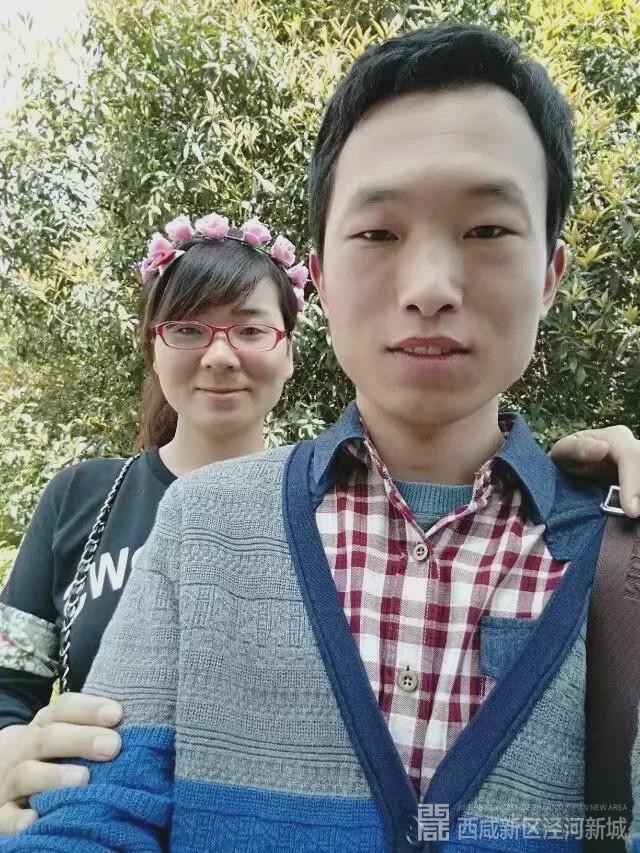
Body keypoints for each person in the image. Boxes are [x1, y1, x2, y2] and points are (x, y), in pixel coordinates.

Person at [2, 23, 640, 850]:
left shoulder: (614, 556)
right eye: (378, 232)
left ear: (551, 273)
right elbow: (99, 813)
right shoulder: (195, 524)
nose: (431, 287)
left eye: (487, 230)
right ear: (325, 279)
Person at [0, 210, 306, 832]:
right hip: (92, 828)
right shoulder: (80, 497)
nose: (219, 355)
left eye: (251, 330)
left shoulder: (328, 509)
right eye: (188, 329)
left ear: (289, 352)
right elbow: (9, 684)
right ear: (153, 348)